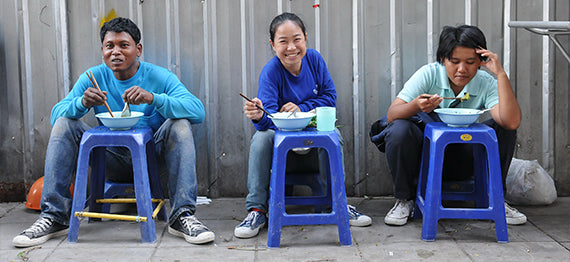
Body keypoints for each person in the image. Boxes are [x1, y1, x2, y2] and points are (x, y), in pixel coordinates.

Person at [12, 17, 214, 247]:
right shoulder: (93, 77)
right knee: (64, 124)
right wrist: (81, 103)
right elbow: (55, 116)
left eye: (123, 45)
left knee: (180, 125)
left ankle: (183, 216)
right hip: (109, 160)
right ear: (102, 50)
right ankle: (54, 216)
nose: (115, 52)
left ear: (138, 49)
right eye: (110, 46)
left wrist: (154, 99)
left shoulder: (159, 77)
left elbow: (198, 111)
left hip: (152, 161)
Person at [235, 12, 371, 239]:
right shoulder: (271, 72)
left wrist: (302, 107)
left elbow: (330, 98)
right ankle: (257, 209)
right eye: (283, 41)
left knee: (334, 134)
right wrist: (258, 116)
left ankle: (337, 203)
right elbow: (268, 119)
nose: (291, 47)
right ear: (272, 44)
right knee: (260, 139)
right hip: (281, 137)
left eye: (297, 39)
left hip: (313, 131)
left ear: (305, 38)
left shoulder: (315, 60)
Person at [377, 25, 527, 226]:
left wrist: (500, 74)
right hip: (426, 159)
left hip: (465, 158)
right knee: (399, 128)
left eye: (470, 62)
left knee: (503, 129)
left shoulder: (485, 82)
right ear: (442, 60)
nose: (462, 69)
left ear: (481, 62)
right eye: (454, 62)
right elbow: (391, 114)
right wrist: (415, 106)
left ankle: (496, 199)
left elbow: (512, 121)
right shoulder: (429, 74)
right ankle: (405, 199)